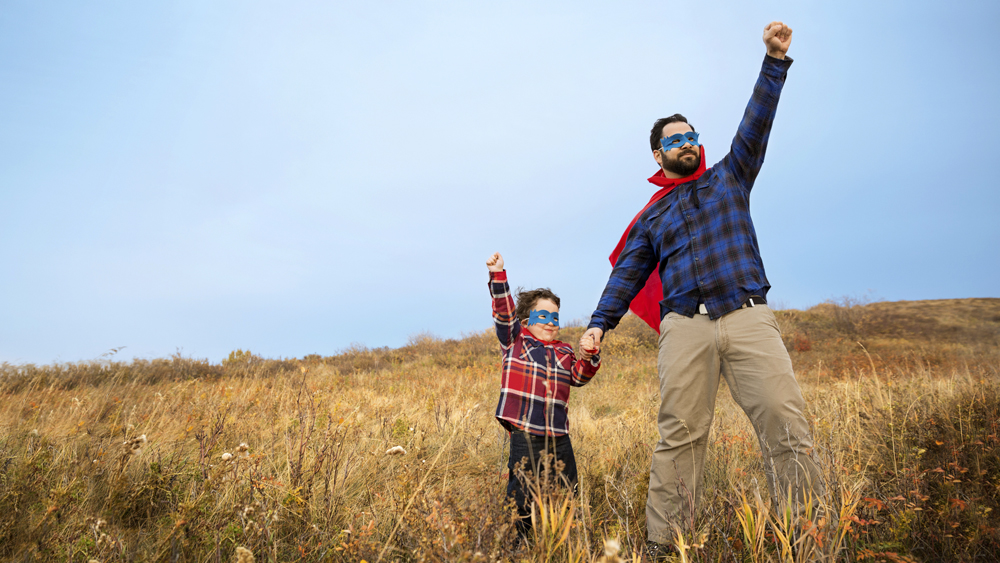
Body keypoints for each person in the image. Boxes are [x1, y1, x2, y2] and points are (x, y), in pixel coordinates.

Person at [580, 22, 824, 557]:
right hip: (685, 328)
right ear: (658, 156)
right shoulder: (653, 216)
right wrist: (599, 324)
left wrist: (773, 62)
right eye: (675, 140)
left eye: (692, 136)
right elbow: (627, 274)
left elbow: (756, 124)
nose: (687, 144)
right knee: (680, 439)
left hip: (747, 315)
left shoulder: (730, 177)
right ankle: (667, 546)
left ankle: (808, 537)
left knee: (785, 421)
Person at [486, 251, 601, 541]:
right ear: (527, 318)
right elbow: (503, 313)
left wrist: (589, 356)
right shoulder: (515, 340)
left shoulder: (564, 351)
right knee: (523, 494)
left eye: (555, 317)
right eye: (543, 315)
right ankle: (519, 545)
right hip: (525, 433)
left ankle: (562, 540)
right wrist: (499, 274)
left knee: (567, 489)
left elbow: (579, 377)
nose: (550, 322)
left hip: (559, 436)